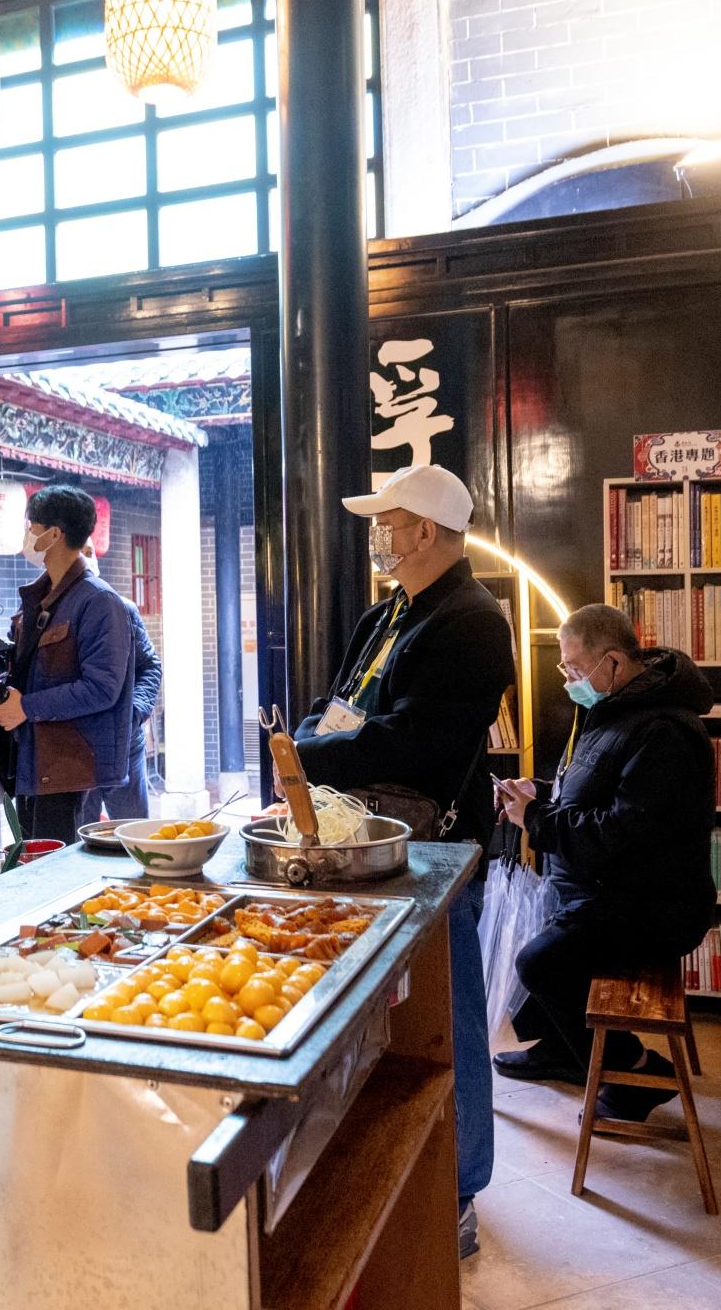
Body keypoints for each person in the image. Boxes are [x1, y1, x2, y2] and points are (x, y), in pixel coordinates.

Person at [292, 463, 513, 1259]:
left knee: (447, 1019)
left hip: (434, 850)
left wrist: (314, 754)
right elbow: (339, 700)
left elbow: (420, 741)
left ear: (425, 531)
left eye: (387, 521)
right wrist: (313, 742)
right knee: (389, 1019)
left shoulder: (474, 620)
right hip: (371, 838)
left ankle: (460, 1189)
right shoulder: (390, 611)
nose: (377, 534)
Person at [491, 603, 717, 1126]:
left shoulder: (667, 734)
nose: (569, 680)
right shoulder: (612, 711)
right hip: (607, 891)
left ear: (613, 663)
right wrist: (541, 794)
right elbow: (593, 795)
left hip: (652, 905)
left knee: (539, 963)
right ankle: (564, 1049)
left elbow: (623, 833)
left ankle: (638, 1070)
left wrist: (539, 822)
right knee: (538, 940)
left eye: (573, 668)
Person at [0, 485, 132, 844]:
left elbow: (102, 688)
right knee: (33, 867)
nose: (27, 536)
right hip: (35, 760)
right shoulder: (42, 598)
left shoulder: (98, 601)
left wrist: (26, 708)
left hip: (69, 764)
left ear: (53, 534)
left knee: (55, 877)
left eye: (30, 525)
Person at [81, 583, 160, 825]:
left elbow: (150, 666)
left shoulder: (122, 609)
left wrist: (133, 713)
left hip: (124, 745)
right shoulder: (49, 612)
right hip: (73, 751)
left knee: (134, 837)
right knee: (77, 843)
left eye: (89, 552)